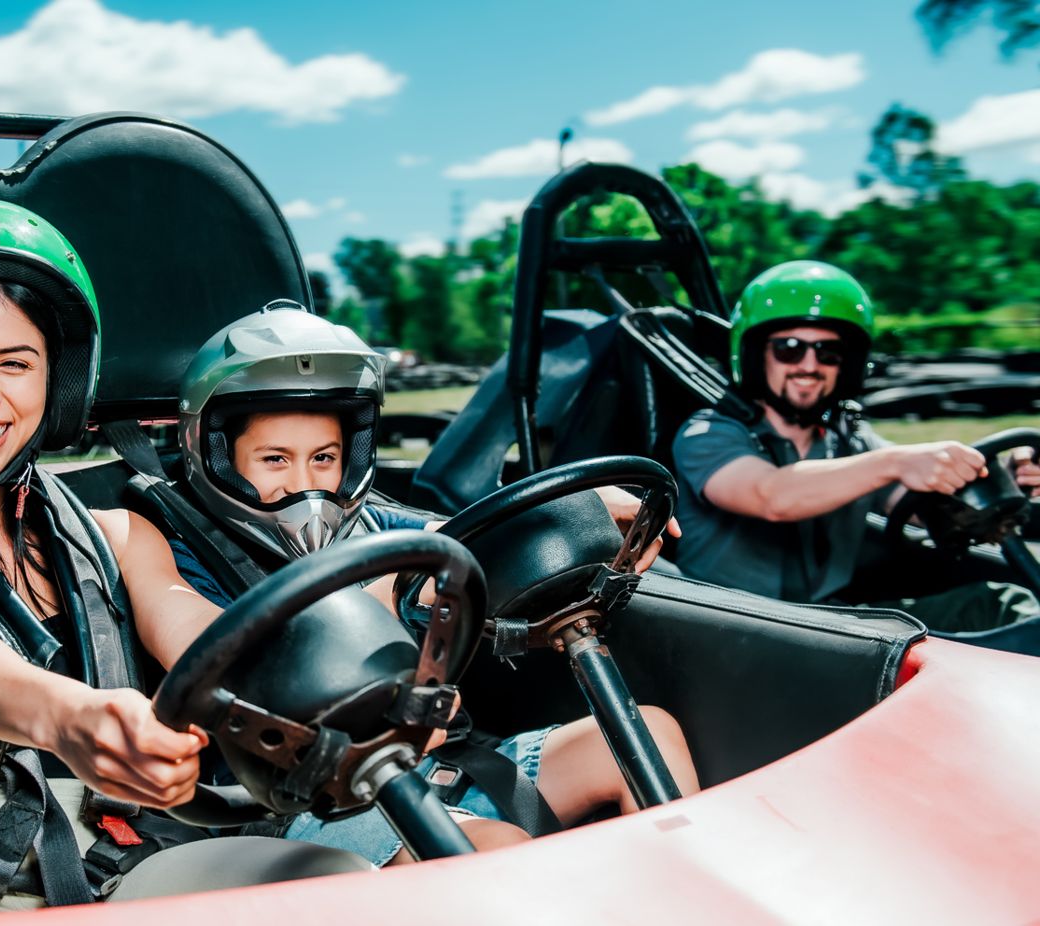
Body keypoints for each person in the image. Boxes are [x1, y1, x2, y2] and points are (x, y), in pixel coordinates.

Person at [0, 200, 526, 913]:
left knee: (420, 877)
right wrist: (70, 718)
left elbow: (220, 643)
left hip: (138, 844)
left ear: (58, 380)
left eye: (15, 364)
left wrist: (366, 699)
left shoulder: (116, 534)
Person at [166, 301, 700, 867]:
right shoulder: (186, 553)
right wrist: (410, 582)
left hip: (436, 762)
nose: (306, 484)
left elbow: (467, 533)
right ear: (218, 456)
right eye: (275, 459)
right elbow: (240, 660)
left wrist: (579, 512)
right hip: (305, 803)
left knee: (652, 735)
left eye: (324, 458)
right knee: (497, 853)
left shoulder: (369, 520)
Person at [670, 260, 1040, 630]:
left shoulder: (848, 438)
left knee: (1002, 606)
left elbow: (913, 501)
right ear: (755, 355)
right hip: (733, 631)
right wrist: (894, 461)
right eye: (789, 349)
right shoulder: (708, 433)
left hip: (831, 623)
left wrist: (999, 479)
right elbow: (771, 494)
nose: (809, 365)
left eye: (828, 353)